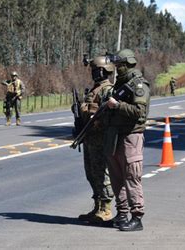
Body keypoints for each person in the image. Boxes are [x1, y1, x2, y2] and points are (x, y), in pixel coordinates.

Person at [104, 49, 150, 232]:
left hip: (131, 136)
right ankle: (122, 214)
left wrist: (118, 105)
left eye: (119, 66)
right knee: (116, 177)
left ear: (126, 65)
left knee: (131, 177)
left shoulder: (138, 85)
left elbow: (140, 112)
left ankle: (137, 217)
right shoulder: (120, 85)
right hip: (116, 136)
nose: (116, 69)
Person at [77, 56, 115, 224]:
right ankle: (97, 206)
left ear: (102, 71)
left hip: (100, 138)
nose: (93, 73)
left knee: (101, 173)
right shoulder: (95, 89)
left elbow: (109, 114)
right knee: (91, 173)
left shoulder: (108, 90)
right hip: (89, 137)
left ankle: (106, 208)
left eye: (95, 70)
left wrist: (91, 113)